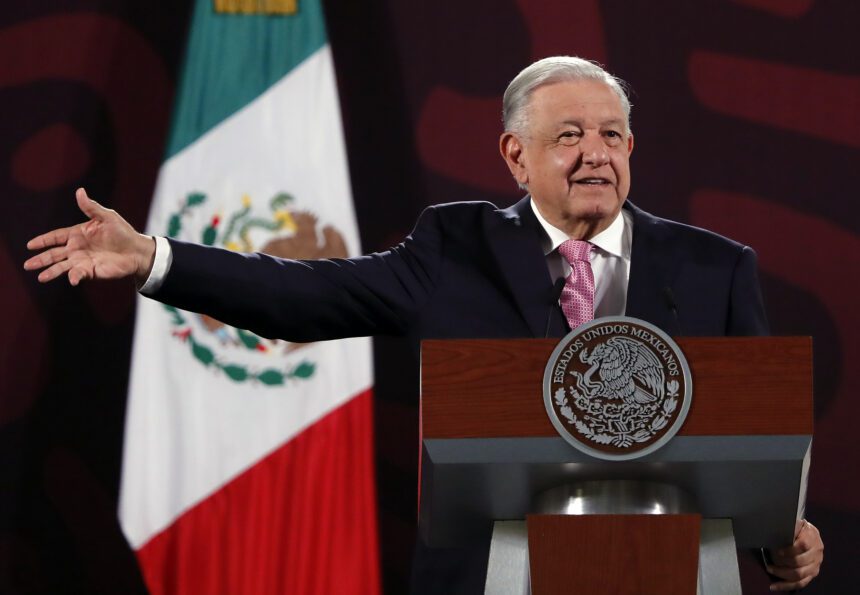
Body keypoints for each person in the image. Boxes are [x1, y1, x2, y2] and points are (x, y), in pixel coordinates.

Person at [25, 56, 823, 591]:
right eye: (569, 135)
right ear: (516, 155)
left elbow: (751, 433)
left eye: (612, 135)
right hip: (489, 574)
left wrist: (778, 538)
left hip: (668, 572)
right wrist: (156, 258)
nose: (595, 154)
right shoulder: (455, 246)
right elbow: (306, 292)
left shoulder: (715, 268)